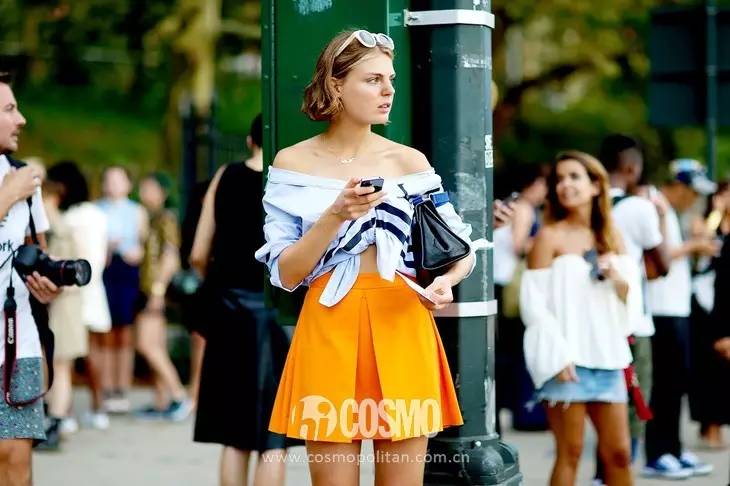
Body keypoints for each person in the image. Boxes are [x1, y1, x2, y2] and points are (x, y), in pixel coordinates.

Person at [254, 30, 475, 485]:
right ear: (336, 85)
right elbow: (286, 273)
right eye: (373, 80)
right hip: (329, 325)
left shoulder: (409, 162)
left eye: (390, 79)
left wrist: (445, 282)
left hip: (403, 322)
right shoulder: (293, 164)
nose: (388, 90)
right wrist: (336, 214)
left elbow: (461, 250)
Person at [520, 151, 642, 486]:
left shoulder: (612, 236)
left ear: (595, 185)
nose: (565, 185)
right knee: (570, 453)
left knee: (619, 453)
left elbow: (631, 300)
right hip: (567, 362)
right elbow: (533, 305)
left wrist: (618, 280)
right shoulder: (549, 236)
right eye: (559, 179)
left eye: (574, 177)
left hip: (608, 360)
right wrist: (556, 355)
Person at [191, 114, 293, 486]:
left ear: (250, 141)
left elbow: (198, 253)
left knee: (234, 434)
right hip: (278, 313)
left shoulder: (225, 176)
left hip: (229, 309)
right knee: (274, 436)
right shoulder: (291, 182)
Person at [590, 134, 671, 484]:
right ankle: (621, 472)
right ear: (632, 168)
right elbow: (662, 265)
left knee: (604, 401)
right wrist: (662, 216)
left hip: (596, 320)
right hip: (633, 321)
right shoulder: (640, 208)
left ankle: (600, 474)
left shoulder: (588, 204)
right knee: (635, 403)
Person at [0, 71, 61, 485]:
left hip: (17, 339)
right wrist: (7, 195)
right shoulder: (16, 186)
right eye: (9, 109)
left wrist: (47, 284)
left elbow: (36, 253)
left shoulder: (24, 177)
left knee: (16, 461)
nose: (21, 119)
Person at [642, 159, 719, 479]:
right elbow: (657, 256)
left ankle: (673, 448)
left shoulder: (672, 212)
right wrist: (693, 246)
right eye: (693, 191)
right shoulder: (654, 205)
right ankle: (657, 453)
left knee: (676, 385)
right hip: (660, 309)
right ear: (679, 185)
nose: (695, 199)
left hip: (677, 308)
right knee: (663, 387)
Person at [41, 161, 112, 444]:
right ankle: (94, 408)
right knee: (82, 356)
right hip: (87, 290)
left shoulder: (69, 219)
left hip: (73, 295)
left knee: (67, 360)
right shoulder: (93, 214)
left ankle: (66, 415)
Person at [493, 164, 548, 434]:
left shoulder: (514, 204)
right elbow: (519, 245)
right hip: (509, 285)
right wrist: (547, 243)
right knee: (517, 350)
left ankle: (514, 409)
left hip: (501, 282)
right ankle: (524, 414)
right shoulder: (525, 207)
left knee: (509, 349)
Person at [134, 173, 192, 421]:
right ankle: (161, 400)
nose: (144, 193)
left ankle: (179, 396)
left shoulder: (165, 218)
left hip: (155, 291)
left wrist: (158, 290)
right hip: (148, 290)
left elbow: (171, 257)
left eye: (149, 188)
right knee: (155, 346)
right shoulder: (151, 217)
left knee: (147, 345)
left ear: (162, 192)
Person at [96, 166, 146, 413]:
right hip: (104, 269)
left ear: (128, 184)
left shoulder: (137, 211)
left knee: (125, 331)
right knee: (105, 330)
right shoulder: (96, 210)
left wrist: (138, 253)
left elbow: (145, 244)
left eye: (119, 180)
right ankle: (106, 387)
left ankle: (122, 387)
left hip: (128, 271)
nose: (114, 184)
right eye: (110, 179)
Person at [689, 181, 730, 450]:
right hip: (704, 303)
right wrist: (717, 212)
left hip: (727, 301)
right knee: (707, 366)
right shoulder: (704, 222)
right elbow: (702, 243)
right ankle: (708, 427)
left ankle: (718, 425)